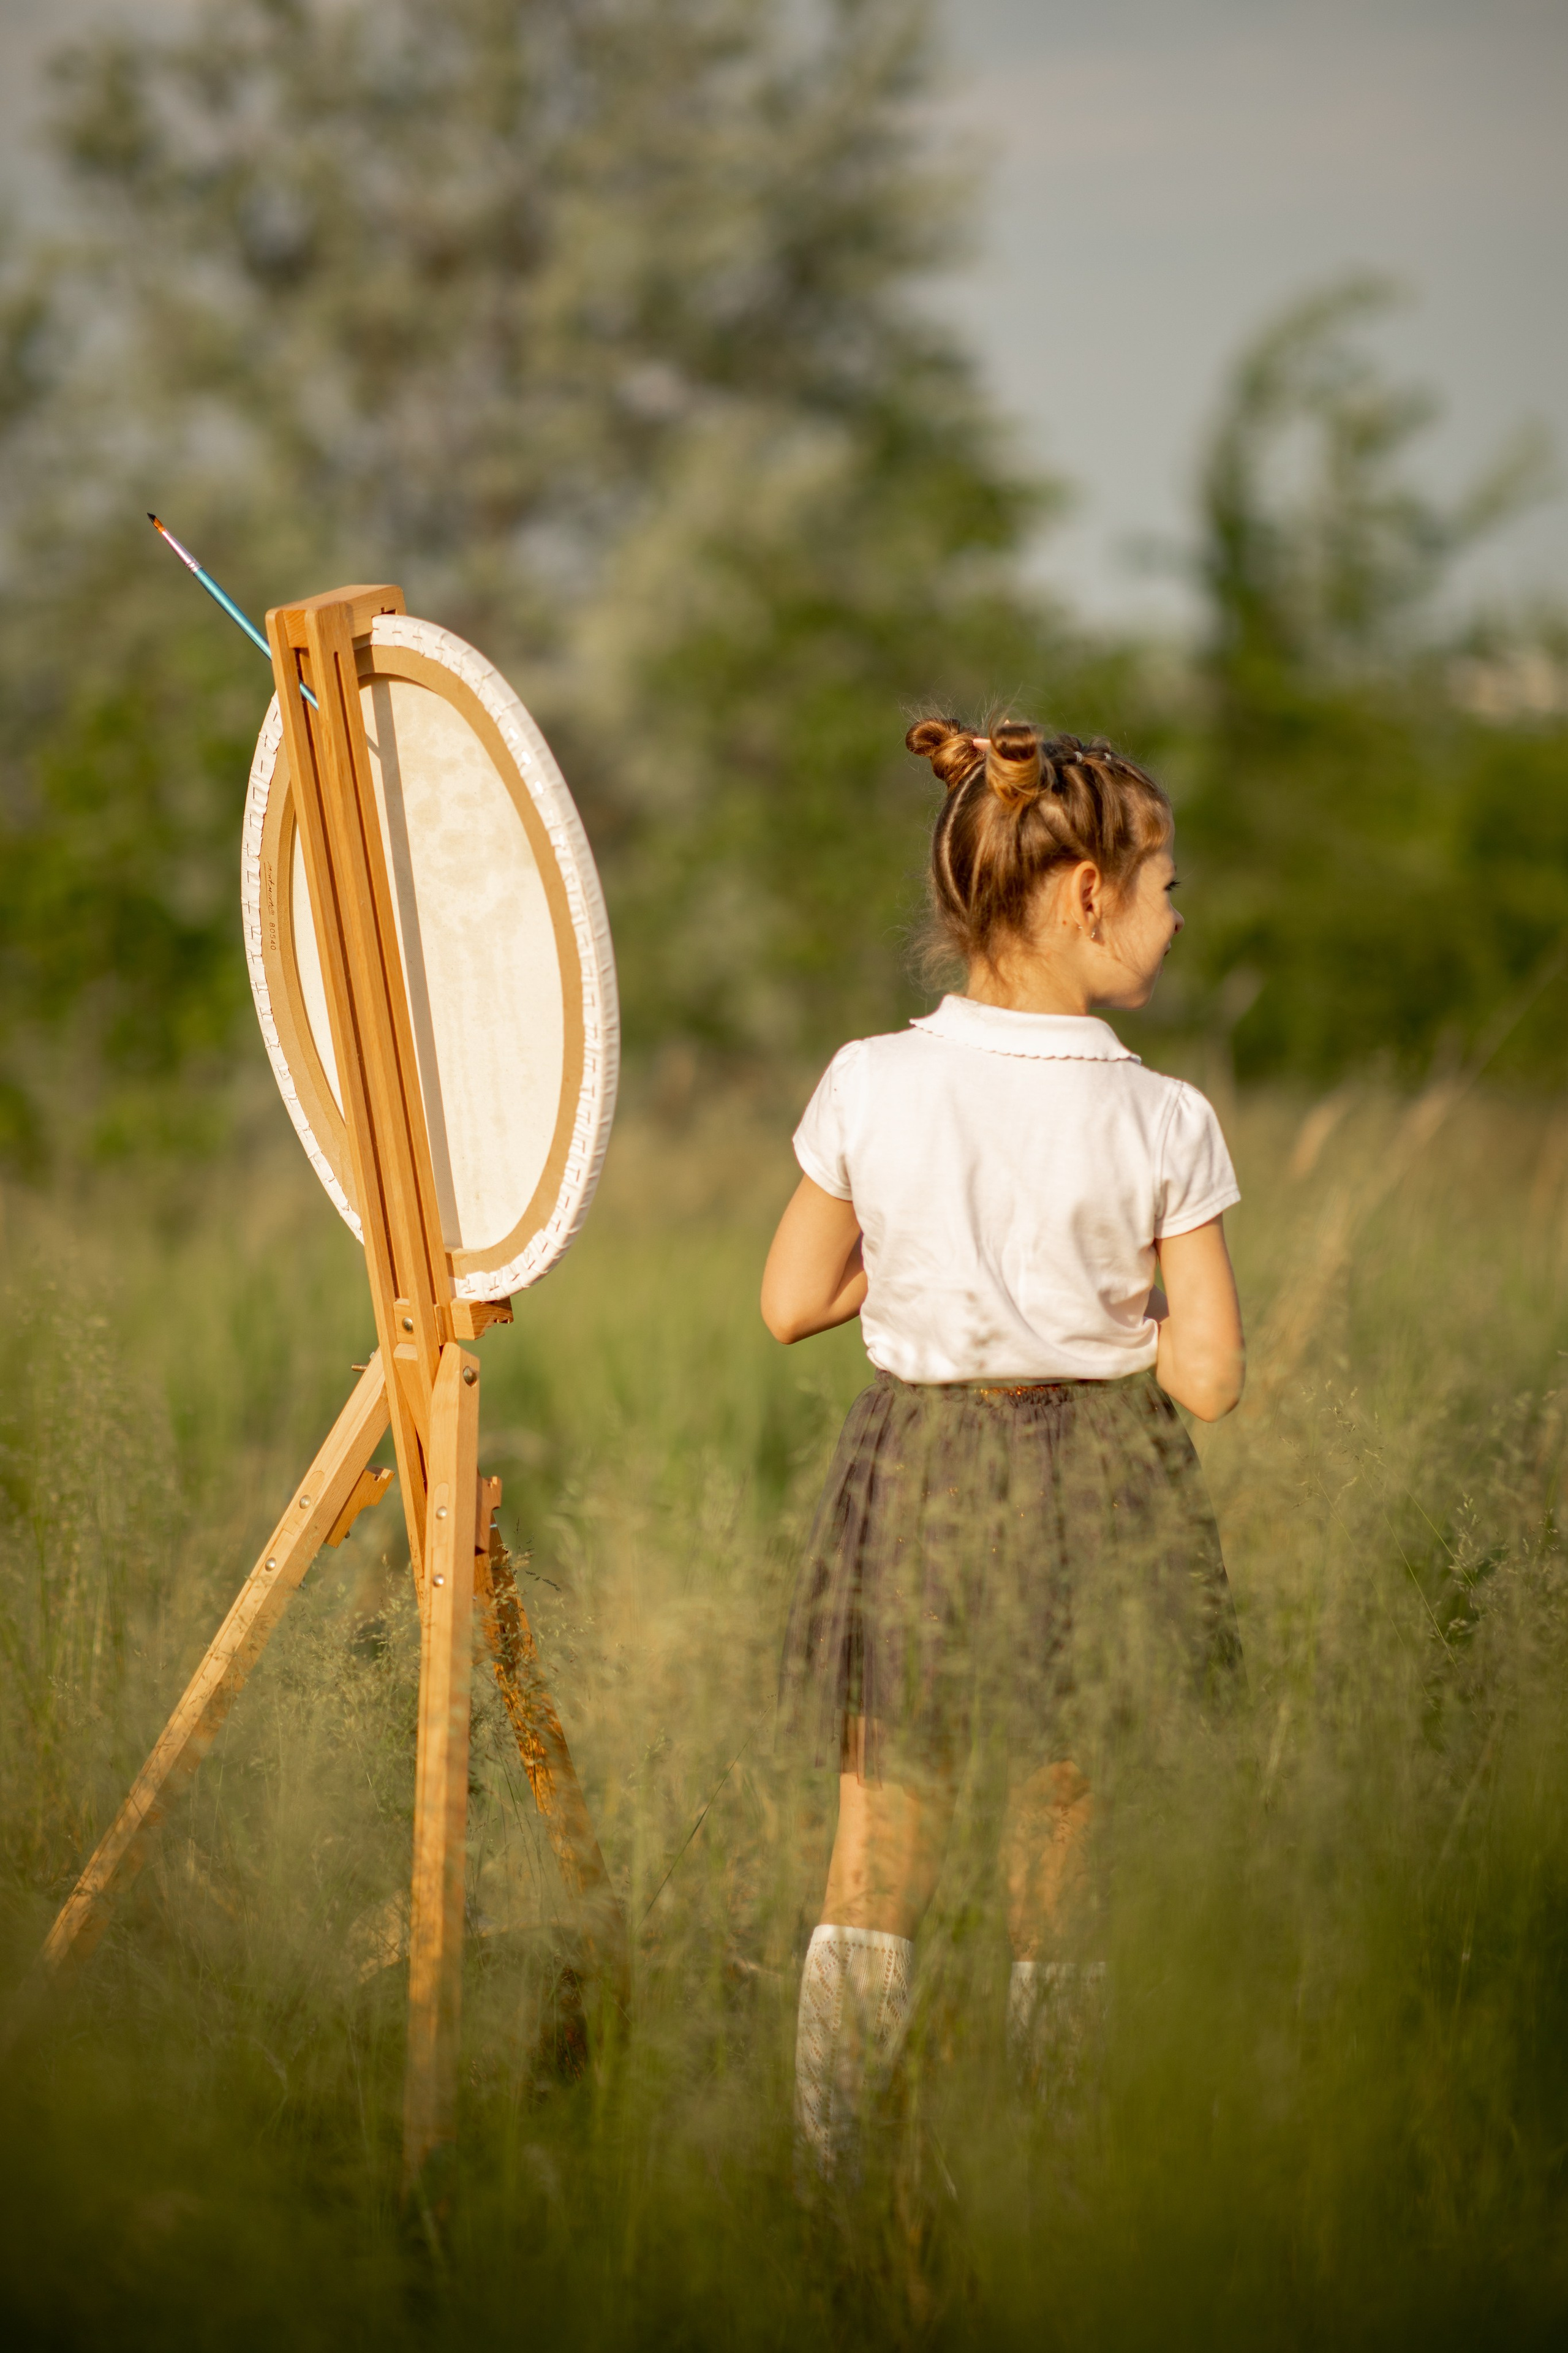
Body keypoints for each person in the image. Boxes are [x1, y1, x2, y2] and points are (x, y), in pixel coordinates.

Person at [761, 719, 1245, 2181]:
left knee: (875, 1852)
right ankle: (1059, 2181)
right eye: (1164, 886)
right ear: (1087, 892)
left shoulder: (868, 1080)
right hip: (1097, 1476)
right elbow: (1209, 1381)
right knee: (1059, 1851)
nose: (1173, 916)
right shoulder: (1163, 1114)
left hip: (913, 1468)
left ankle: (834, 2188)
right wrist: (1126, 1308)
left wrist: (908, 1284)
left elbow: (789, 1302)